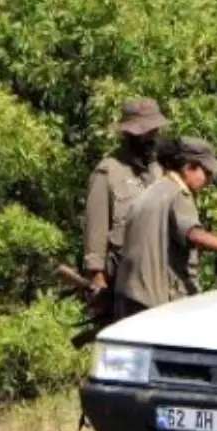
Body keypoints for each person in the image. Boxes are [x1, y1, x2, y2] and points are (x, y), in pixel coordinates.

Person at [113, 136, 217, 319]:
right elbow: (193, 234)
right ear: (189, 167)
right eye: (207, 172)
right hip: (158, 303)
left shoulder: (153, 191)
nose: (208, 180)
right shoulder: (177, 193)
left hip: (130, 296)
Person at [75, 98, 168, 311]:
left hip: (160, 278)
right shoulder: (108, 172)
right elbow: (95, 230)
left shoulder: (160, 170)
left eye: (153, 130)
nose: (151, 137)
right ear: (129, 133)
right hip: (124, 280)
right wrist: (96, 276)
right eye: (145, 132)